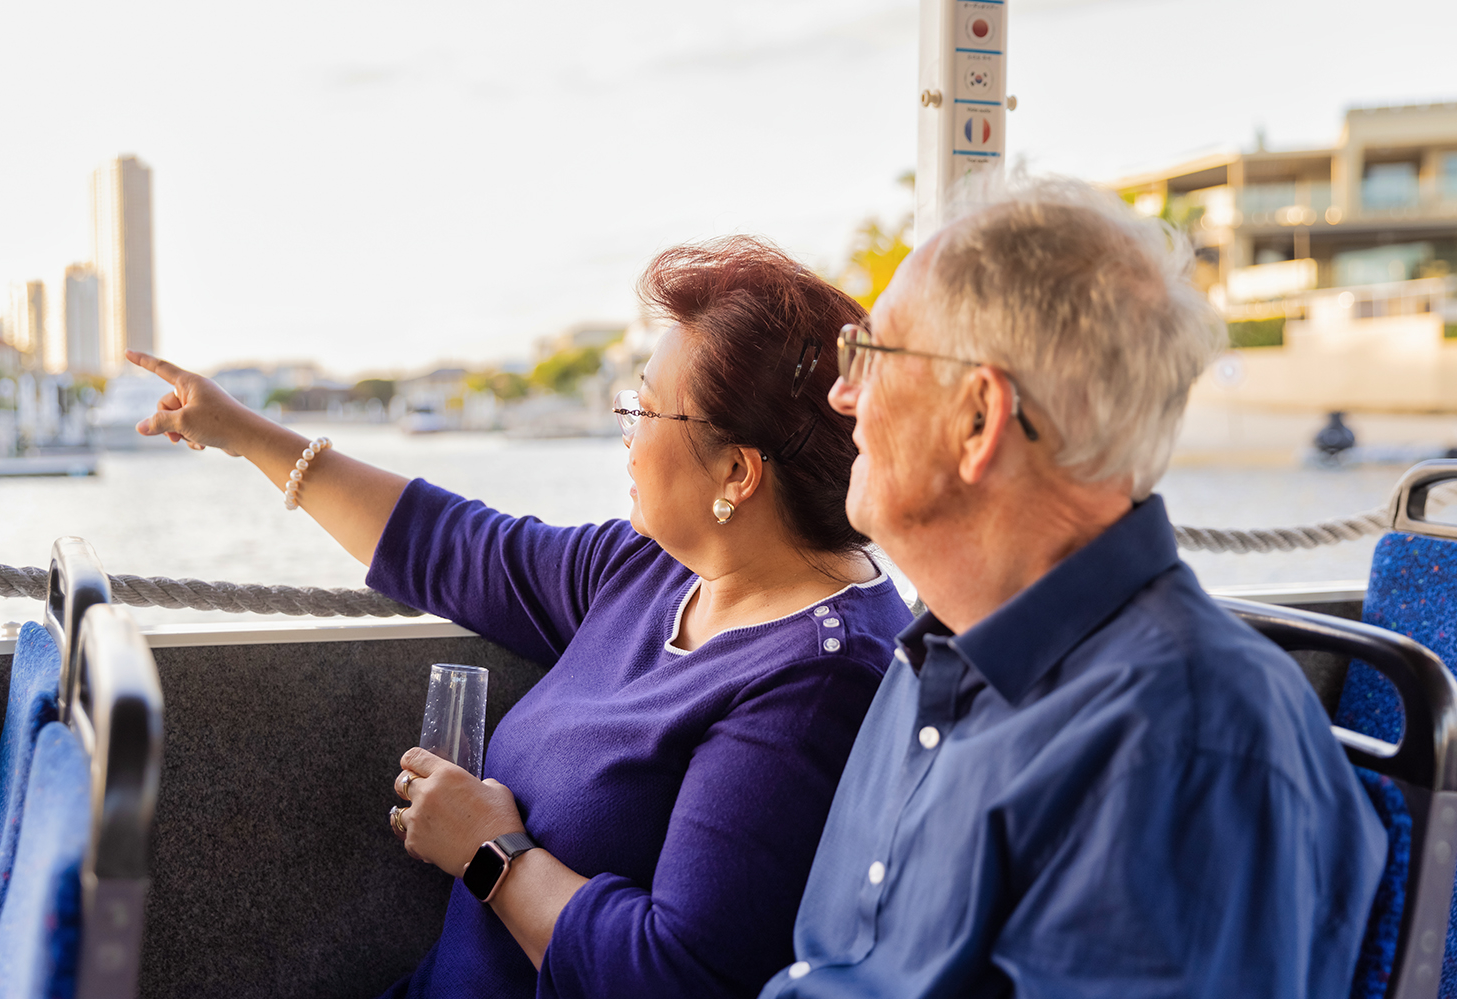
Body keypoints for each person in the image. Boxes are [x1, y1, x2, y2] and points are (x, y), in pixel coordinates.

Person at [127, 235, 913, 999]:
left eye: (644, 409)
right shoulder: (657, 567)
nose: (628, 433)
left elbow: (677, 976)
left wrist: (491, 854)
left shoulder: (816, 681)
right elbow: (455, 545)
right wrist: (242, 433)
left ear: (737, 472)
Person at [758, 178, 1387, 998]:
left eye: (870, 354)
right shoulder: (935, 656)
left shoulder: (1185, 743)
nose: (844, 394)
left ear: (979, 418)